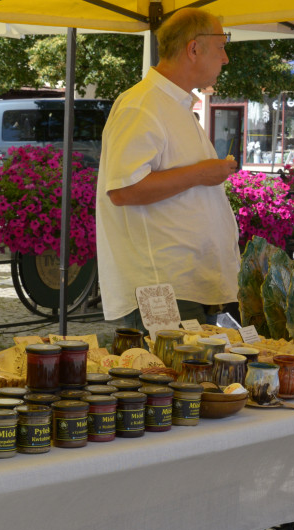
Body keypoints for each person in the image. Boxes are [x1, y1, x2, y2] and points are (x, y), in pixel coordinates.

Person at [95, 8, 239, 328]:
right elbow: (122, 190)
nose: (225, 58)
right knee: (170, 376)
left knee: (193, 376)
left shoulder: (172, 104)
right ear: (193, 48)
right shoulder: (142, 104)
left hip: (186, 286)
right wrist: (201, 173)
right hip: (161, 290)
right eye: (221, 47)